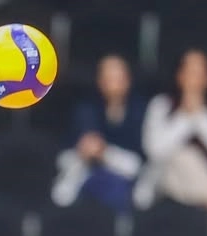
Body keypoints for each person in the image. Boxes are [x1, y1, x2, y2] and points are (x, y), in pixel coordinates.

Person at [136, 48, 207, 219]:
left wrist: (200, 114)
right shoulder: (161, 105)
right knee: (183, 157)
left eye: (199, 73)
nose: (193, 79)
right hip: (166, 182)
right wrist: (185, 116)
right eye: (189, 72)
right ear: (179, 76)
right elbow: (155, 151)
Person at [52, 54, 147, 212]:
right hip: (83, 177)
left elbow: (138, 164)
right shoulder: (85, 110)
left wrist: (105, 152)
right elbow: (63, 156)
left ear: (128, 80)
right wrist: (86, 150)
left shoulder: (139, 111)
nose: (113, 85)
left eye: (118, 79)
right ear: (99, 81)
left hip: (124, 184)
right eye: (108, 78)